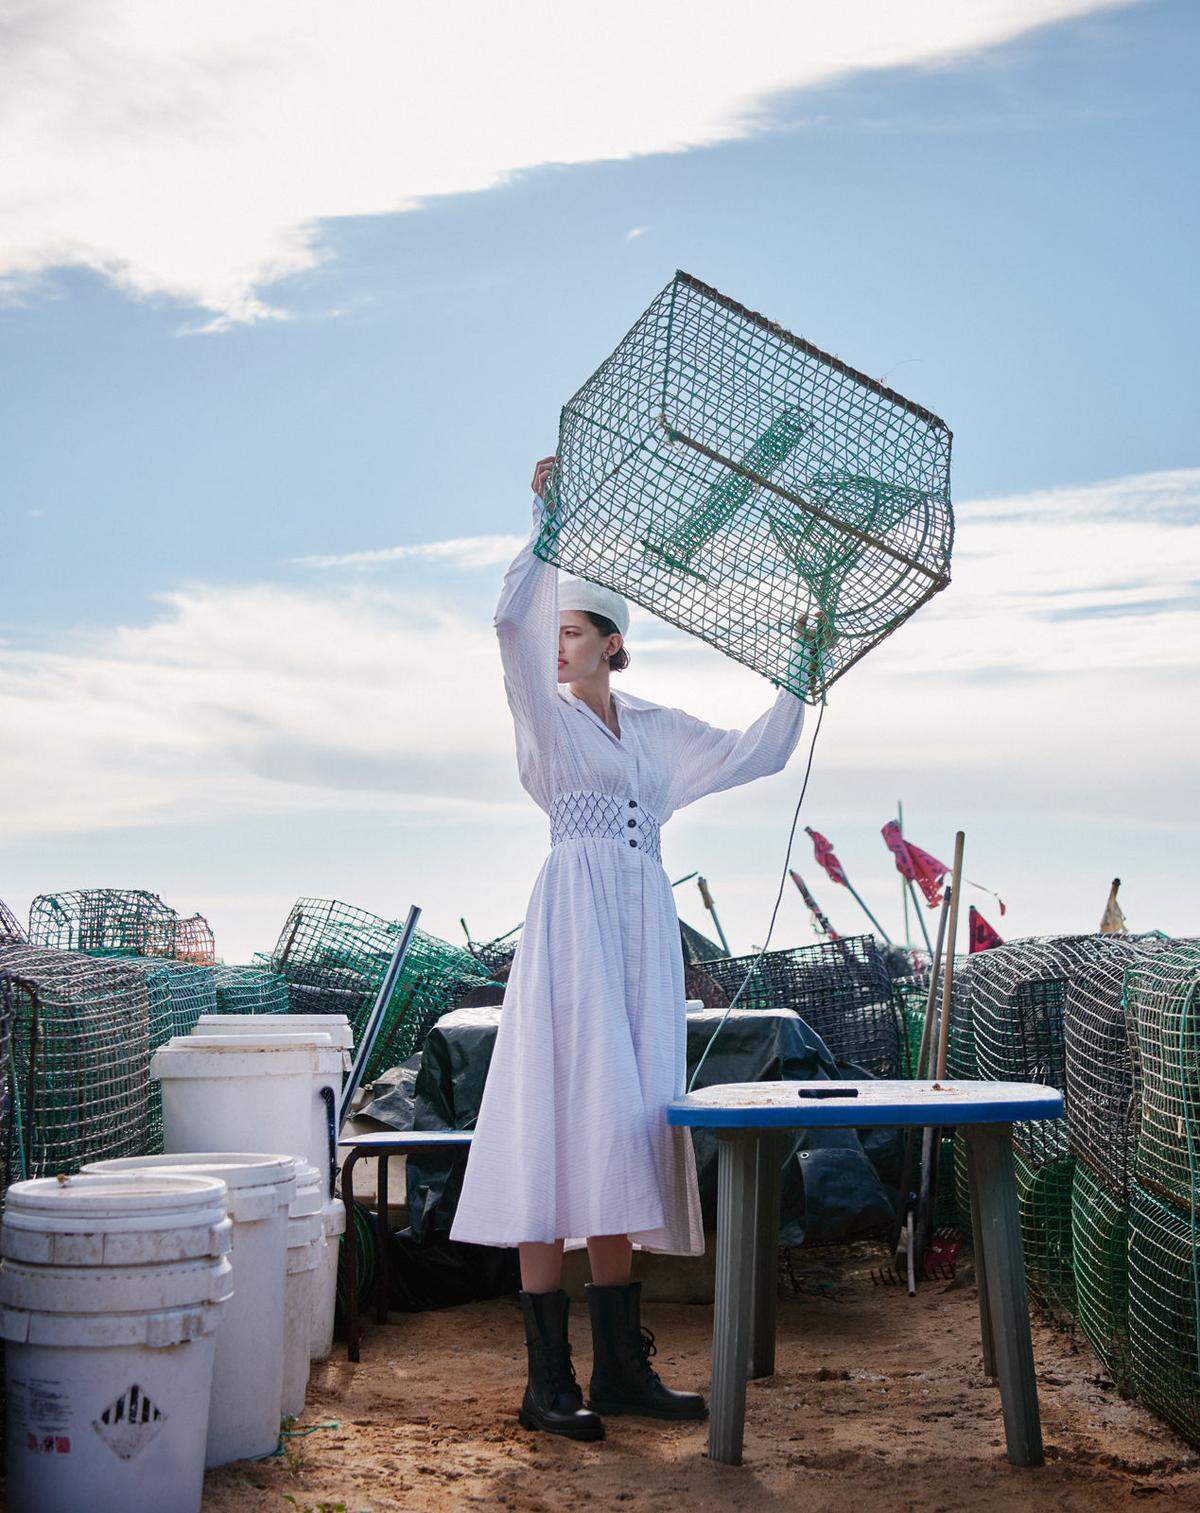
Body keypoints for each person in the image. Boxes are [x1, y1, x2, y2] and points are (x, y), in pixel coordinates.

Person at [450, 455, 808, 1441]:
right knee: (555, 1127)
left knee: (621, 1129)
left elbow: (759, 750)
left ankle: (618, 1368)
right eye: (555, 632)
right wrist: (547, 520)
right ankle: (545, 1382)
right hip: (571, 931)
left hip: (641, 937)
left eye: (575, 633)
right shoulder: (547, 725)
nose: (558, 647)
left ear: (614, 644)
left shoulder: (654, 731)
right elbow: (504, 625)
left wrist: (800, 666)